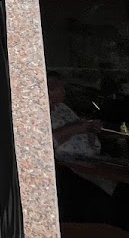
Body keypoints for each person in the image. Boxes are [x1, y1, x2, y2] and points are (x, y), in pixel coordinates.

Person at [48, 71, 117, 223]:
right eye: (58, 87)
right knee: (99, 203)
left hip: (91, 165)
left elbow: (92, 145)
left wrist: (90, 129)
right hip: (65, 171)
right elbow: (47, 145)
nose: (63, 91)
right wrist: (78, 128)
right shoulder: (36, 113)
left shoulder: (63, 108)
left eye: (61, 87)